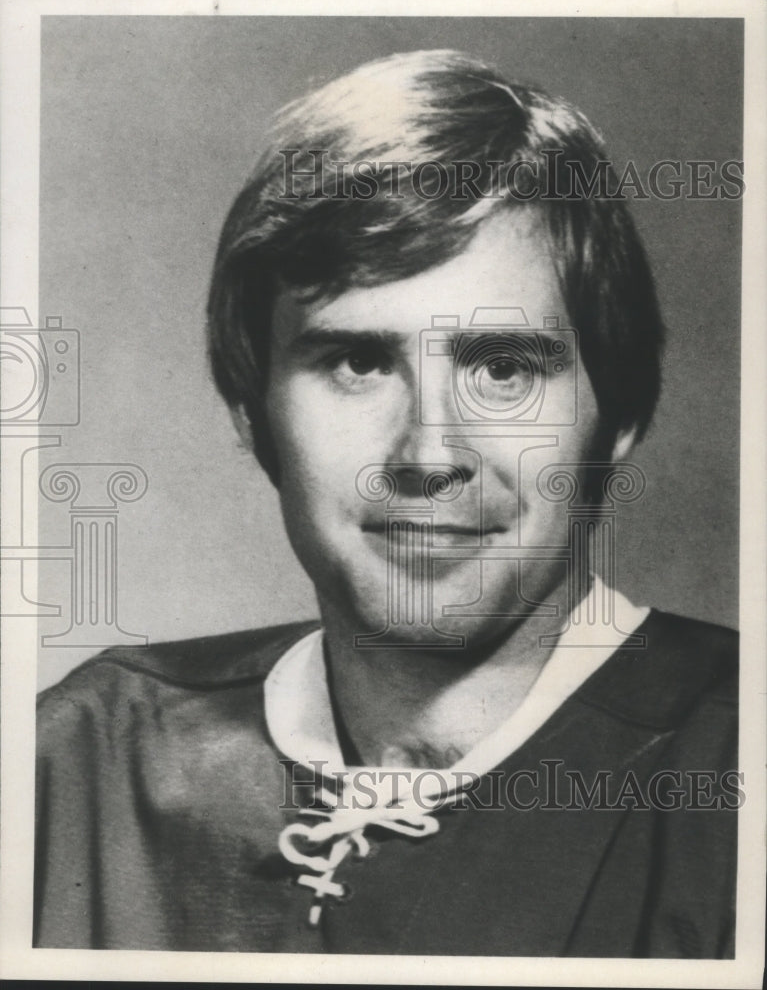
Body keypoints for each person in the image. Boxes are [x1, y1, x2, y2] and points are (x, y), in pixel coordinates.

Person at [34, 49, 738, 956]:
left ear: (619, 416)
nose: (429, 455)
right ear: (252, 413)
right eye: (358, 363)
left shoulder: (728, 766)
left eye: (502, 367)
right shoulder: (85, 760)